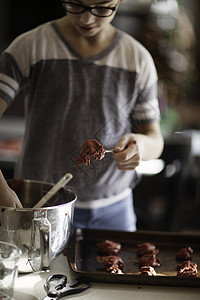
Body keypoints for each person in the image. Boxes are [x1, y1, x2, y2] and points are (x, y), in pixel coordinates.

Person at [0, 0, 164, 231]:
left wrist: (140, 147)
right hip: (43, 207)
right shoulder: (31, 46)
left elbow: (155, 139)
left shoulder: (137, 59)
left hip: (114, 212)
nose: (87, 19)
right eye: (76, 5)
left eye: (103, 7)